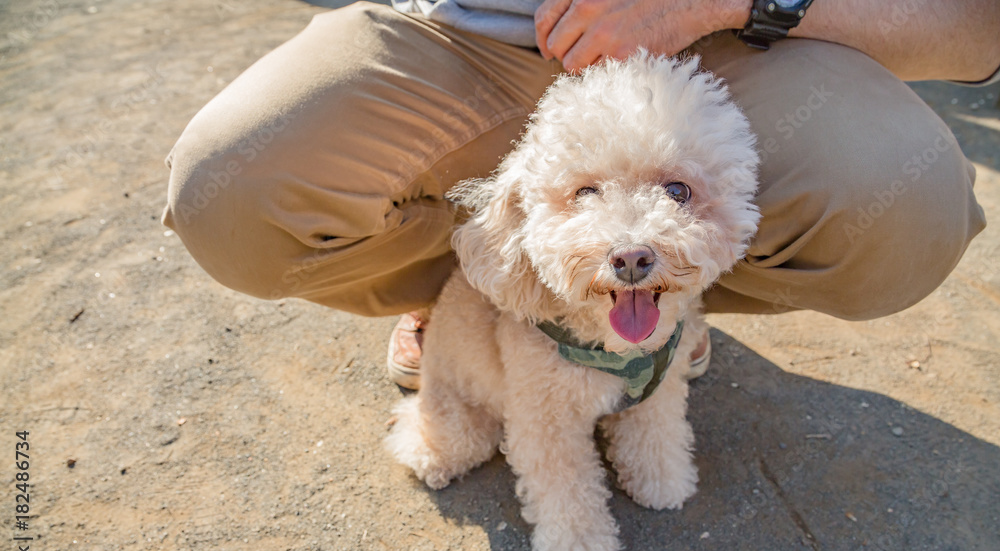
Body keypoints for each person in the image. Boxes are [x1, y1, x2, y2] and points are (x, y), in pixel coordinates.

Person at [161, 0, 998, 389]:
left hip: (730, 46)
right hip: (461, 35)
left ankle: (668, 298)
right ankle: (468, 292)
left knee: (909, 208)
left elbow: (976, 27)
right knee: (226, 192)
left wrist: (730, 1)